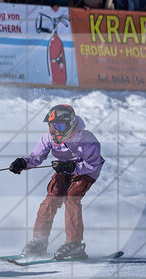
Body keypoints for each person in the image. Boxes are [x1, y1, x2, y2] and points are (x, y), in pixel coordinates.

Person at [9, 104, 105, 260]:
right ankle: (39, 240)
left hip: (86, 172)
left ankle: (74, 244)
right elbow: (36, 157)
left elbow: (93, 164)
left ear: (70, 124)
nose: (55, 130)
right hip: (64, 170)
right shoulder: (49, 137)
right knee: (51, 199)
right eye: (52, 126)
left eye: (59, 126)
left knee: (71, 198)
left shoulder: (87, 139)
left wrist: (72, 167)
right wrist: (23, 163)